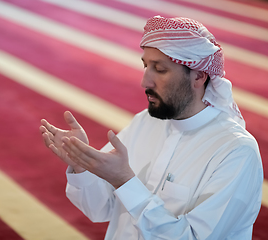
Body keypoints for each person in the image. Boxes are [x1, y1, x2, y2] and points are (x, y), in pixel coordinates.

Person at [39, 16, 263, 239]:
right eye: (146, 66)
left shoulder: (236, 152)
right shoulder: (145, 122)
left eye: (160, 69)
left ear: (198, 76)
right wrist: (82, 165)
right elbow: (100, 208)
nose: (145, 82)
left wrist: (125, 182)